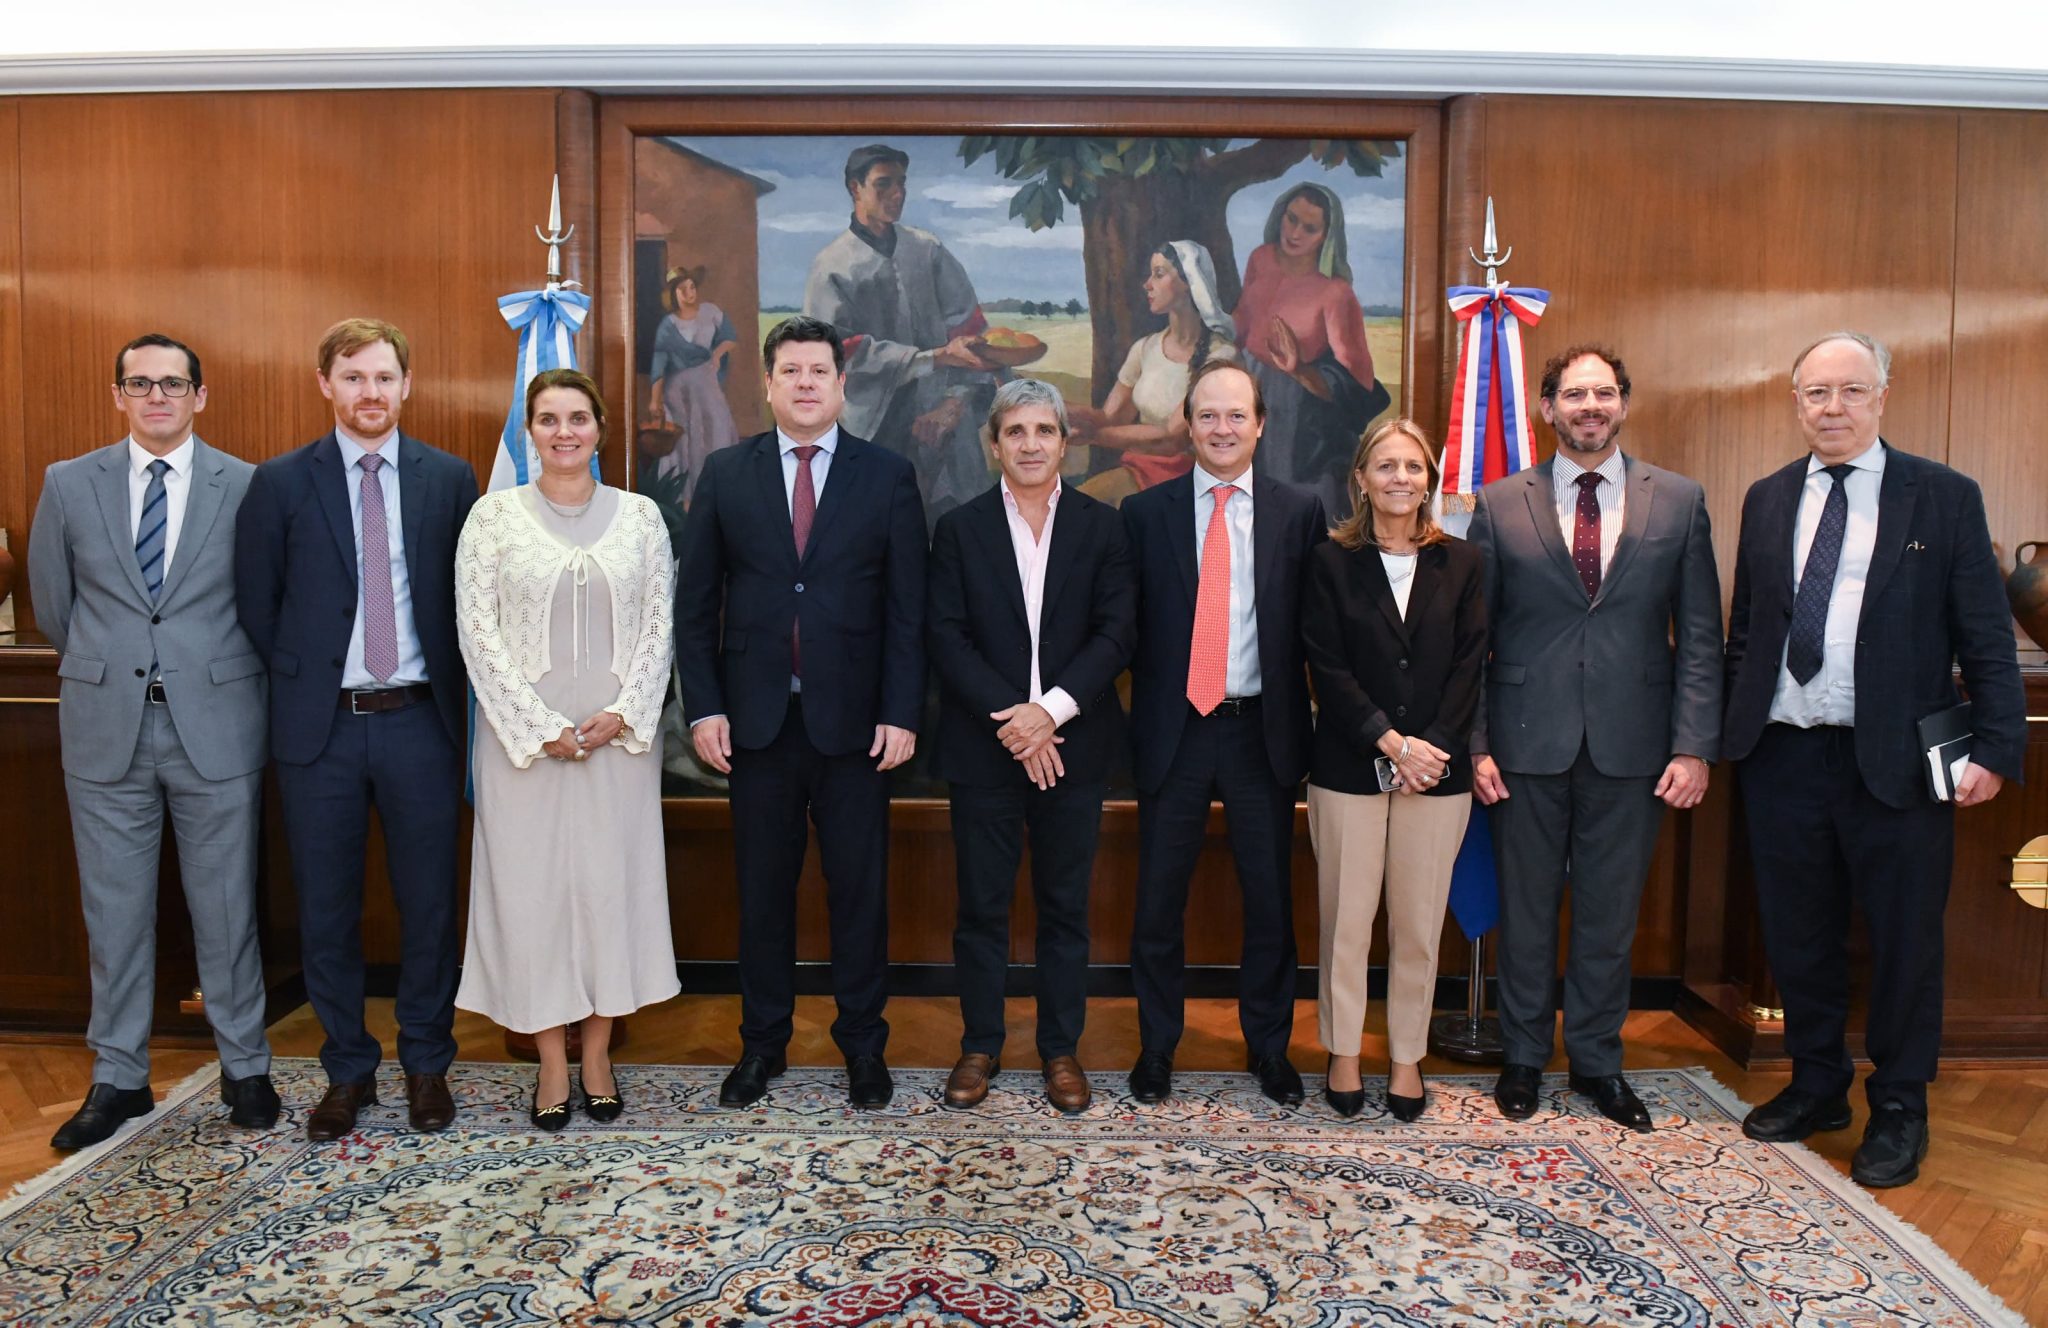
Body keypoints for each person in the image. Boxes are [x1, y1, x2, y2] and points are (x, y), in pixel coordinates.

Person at [1722, 332, 2025, 1188]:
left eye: (1851, 391)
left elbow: (1986, 638)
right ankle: (1819, 1085)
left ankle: (1901, 1105)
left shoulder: (1943, 497)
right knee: (1800, 935)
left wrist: (1996, 747)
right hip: (1782, 754)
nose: (1833, 408)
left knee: (1903, 942)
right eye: (1815, 393)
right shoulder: (1768, 497)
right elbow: (1751, 631)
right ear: (1795, 403)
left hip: (1896, 762)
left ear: (1883, 396)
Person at [28, 333, 277, 1149]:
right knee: (115, 912)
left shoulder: (245, 484)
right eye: (141, 384)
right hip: (108, 730)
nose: (158, 397)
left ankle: (246, 1068)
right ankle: (119, 1079)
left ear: (200, 397)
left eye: (173, 384)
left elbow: (261, 602)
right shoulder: (69, 484)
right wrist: (118, 669)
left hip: (218, 724)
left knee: (227, 907)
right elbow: (56, 607)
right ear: (119, 396)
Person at [235, 318, 478, 1141]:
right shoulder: (278, 484)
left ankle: (425, 1064)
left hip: (421, 723)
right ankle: (346, 1070)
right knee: (327, 910)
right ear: (324, 385)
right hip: (321, 733)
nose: (369, 393)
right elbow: (258, 608)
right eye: (353, 377)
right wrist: (315, 685)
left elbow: (466, 602)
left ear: (407, 385)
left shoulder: (450, 479)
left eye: (383, 377)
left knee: (428, 906)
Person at [1469, 344, 1721, 1133]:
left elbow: (1703, 636)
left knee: (1611, 915)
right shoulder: (1499, 502)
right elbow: (1473, 638)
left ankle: (1598, 1065)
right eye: (1573, 394)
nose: (1589, 406)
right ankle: (1521, 1060)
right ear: (1548, 408)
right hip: (1521, 741)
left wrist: (1692, 746)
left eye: (1602, 393)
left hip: (1635, 746)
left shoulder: (1677, 500)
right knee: (1528, 911)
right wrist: (1476, 742)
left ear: (1623, 403)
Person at [676, 315, 927, 1110]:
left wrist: (901, 711)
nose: (808, 383)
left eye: (821, 370)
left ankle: (862, 1047)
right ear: (769, 381)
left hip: (857, 730)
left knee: (859, 893)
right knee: (763, 893)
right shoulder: (725, 473)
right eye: (792, 371)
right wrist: (704, 708)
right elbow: (695, 608)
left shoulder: (886, 476)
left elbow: (907, 611)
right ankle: (762, 1046)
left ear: (841, 383)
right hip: (755, 725)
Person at [455, 369, 680, 1129]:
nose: (563, 431)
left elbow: (659, 624)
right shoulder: (491, 518)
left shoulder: (642, 517)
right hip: (525, 750)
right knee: (533, 898)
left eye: (577, 417)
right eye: (547, 418)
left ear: (600, 428)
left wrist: (620, 714)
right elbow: (477, 634)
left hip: (617, 746)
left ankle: (598, 1052)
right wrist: (535, 723)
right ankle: (551, 1057)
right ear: (529, 431)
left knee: (608, 894)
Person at [927, 378, 1137, 1114]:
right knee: (981, 907)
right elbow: (945, 637)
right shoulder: (958, 529)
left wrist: (1047, 714)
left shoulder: (1103, 528)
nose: (1029, 444)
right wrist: (1014, 723)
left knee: (1064, 907)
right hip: (984, 749)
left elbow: (1118, 634)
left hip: (1073, 746)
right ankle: (979, 1045)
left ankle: (1059, 1049)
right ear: (994, 445)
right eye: (1014, 432)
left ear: (1064, 443)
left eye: (1043, 430)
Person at [1122, 359, 1328, 1106]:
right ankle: (1156, 1049)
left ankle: (1269, 1049)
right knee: (1157, 905)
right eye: (1207, 414)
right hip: (1173, 731)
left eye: (1236, 415)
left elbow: (1318, 632)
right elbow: (1125, 629)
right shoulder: (1146, 515)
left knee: (1270, 903)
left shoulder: (1298, 512)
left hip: (1258, 733)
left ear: (1261, 424)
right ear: (1187, 421)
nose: (1221, 428)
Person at [1301, 419, 1484, 1120]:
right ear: (1361, 478)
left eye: (1413, 466)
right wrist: (1390, 742)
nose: (1400, 478)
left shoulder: (1464, 563)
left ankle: (1406, 1057)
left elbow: (1471, 665)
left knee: (1416, 923)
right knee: (1346, 920)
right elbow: (1328, 666)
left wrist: (1425, 748)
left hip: (1438, 774)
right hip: (1350, 766)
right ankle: (1343, 1051)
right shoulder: (1328, 562)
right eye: (1386, 465)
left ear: (1429, 479)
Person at [803, 143, 999, 520]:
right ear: (854, 188)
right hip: (875, 428)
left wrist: (955, 401)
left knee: (957, 531)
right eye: (884, 184)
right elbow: (835, 350)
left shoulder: (928, 251)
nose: (897, 194)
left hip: (945, 421)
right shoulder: (831, 268)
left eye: (902, 184)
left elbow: (972, 333)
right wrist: (932, 357)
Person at [1234, 182, 1392, 515]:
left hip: (1299, 419)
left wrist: (1298, 370)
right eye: (1291, 219)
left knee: (1292, 515)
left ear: (1326, 235)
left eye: (1309, 228)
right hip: (1245, 394)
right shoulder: (1260, 259)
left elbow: (1356, 387)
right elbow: (1243, 318)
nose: (1295, 233)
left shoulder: (1335, 293)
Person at [1072, 240, 1241, 507]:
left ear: (1188, 282)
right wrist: (1052, 410)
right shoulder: (1146, 348)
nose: (1147, 284)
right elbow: (1110, 417)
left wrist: (1092, 436)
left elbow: (1172, 438)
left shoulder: (1221, 359)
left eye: (1159, 274)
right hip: (1142, 470)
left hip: (1193, 483)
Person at [645, 264, 739, 504]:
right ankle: (685, 502)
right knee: (685, 443)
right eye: (682, 289)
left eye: (692, 287)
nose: (689, 293)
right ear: (673, 295)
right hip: (678, 392)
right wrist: (655, 399)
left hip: (706, 385)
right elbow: (659, 363)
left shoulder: (711, 312)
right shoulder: (668, 325)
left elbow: (730, 337)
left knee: (714, 432)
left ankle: (715, 497)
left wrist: (717, 354)